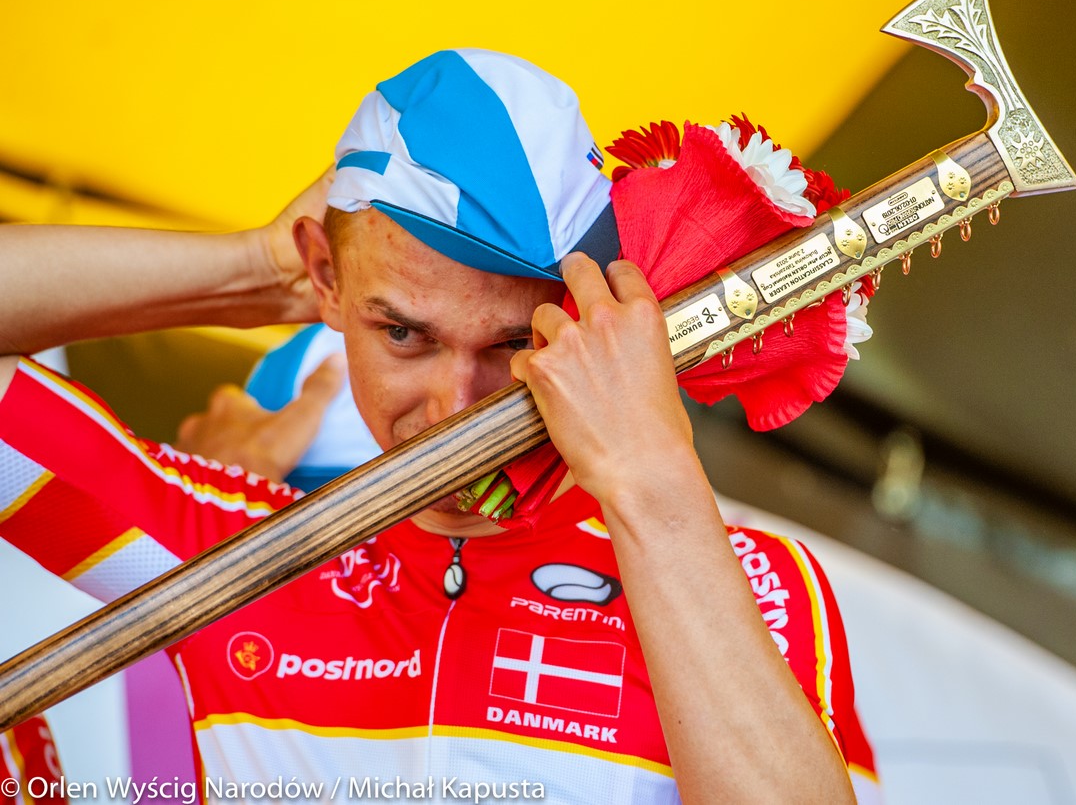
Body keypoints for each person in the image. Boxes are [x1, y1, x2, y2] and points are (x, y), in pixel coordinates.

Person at [0, 49, 878, 803]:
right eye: (403, 334)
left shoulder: (745, 576)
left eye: (511, 343)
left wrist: (652, 480)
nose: (453, 407)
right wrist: (251, 272)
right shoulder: (225, 543)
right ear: (327, 282)